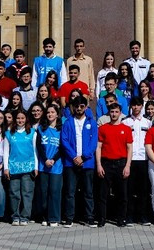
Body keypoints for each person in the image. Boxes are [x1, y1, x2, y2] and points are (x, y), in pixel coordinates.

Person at [61, 96, 98, 227]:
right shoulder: (68, 122)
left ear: (85, 107)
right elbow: (64, 141)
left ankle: (89, 217)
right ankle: (69, 217)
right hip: (71, 162)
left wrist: (84, 157)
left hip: (87, 162)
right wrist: (74, 157)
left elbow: (94, 143)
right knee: (70, 192)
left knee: (88, 192)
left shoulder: (91, 122)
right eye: (76, 106)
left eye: (81, 106)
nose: (79, 109)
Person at [96, 103, 133, 227]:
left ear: (120, 113)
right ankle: (102, 219)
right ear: (109, 113)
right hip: (106, 163)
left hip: (121, 163)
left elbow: (129, 148)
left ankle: (121, 219)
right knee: (102, 194)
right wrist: (99, 165)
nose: (114, 114)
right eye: (112, 112)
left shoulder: (126, 129)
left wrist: (127, 166)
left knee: (122, 194)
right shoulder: (103, 128)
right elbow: (99, 147)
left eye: (116, 112)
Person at [4, 110, 38, 226]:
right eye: (18, 118)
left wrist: (36, 167)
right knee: (14, 193)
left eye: (22, 118)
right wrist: (6, 168)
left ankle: (25, 216)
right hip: (14, 167)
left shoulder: (32, 132)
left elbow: (35, 151)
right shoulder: (9, 134)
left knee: (27, 193)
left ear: (26, 119)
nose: (20, 120)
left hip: (28, 167)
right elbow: (6, 152)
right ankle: (15, 216)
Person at [123, 98, 152, 225]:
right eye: (134, 105)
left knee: (143, 190)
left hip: (144, 159)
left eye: (138, 105)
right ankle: (129, 216)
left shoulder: (148, 122)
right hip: (130, 159)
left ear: (142, 106)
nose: (136, 107)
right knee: (129, 190)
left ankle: (143, 216)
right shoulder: (125, 122)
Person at [37, 105, 64, 227]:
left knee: (54, 192)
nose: (50, 114)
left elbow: (62, 148)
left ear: (57, 114)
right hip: (43, 165)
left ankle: (54, 217)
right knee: (44, 192)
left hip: (56, 165)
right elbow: (39, 147)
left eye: (52, 112)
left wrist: (53, 159)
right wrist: (45, 159)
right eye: (48, 112)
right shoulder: (41, 129)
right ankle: (44, 216)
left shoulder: (61, 130)